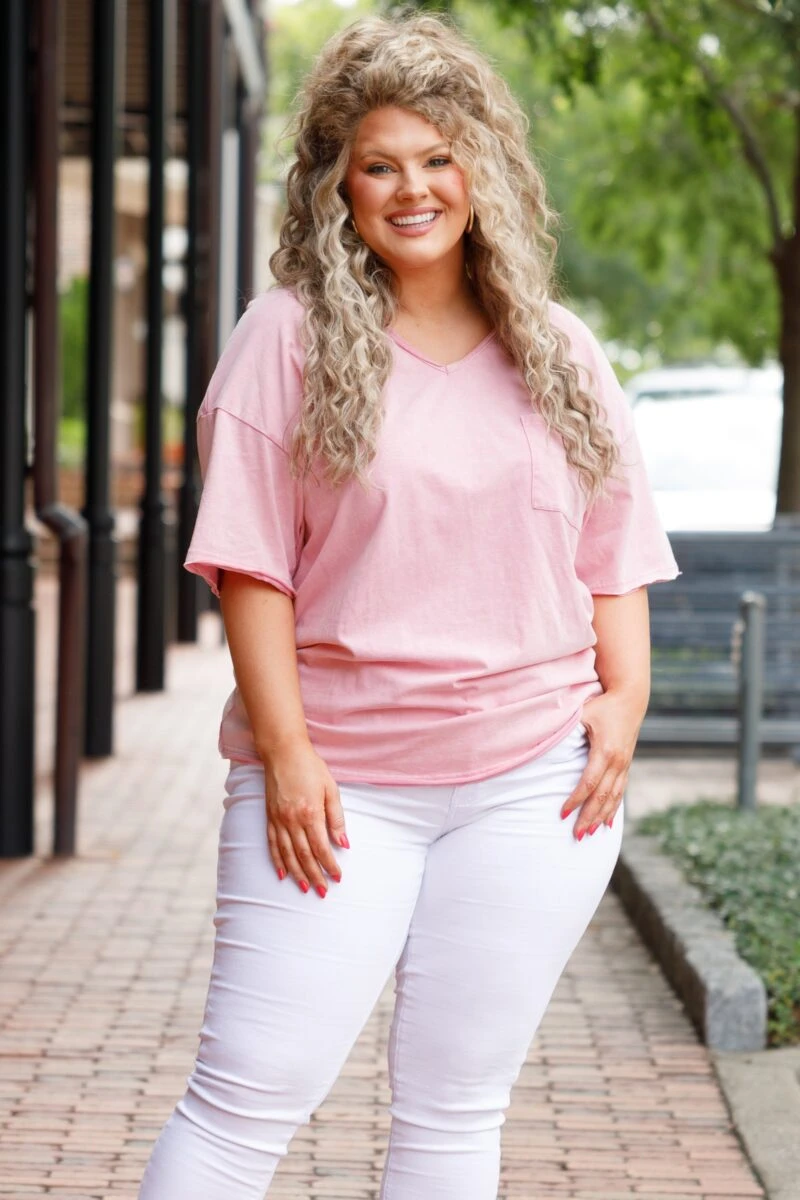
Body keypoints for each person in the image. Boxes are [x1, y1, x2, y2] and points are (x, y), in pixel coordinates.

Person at [137, 11, 679, 1199]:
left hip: (533, 788)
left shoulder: (558, 350)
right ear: (338, 184)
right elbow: (250, 570)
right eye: (378, 165)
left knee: (453, 1113)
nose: (412, 189)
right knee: (244, 1101)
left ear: (482, 168)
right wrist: (285, 755)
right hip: (338, 791)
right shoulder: (284, 338)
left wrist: (626, 698)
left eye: (437, 158)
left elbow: (612, 551)